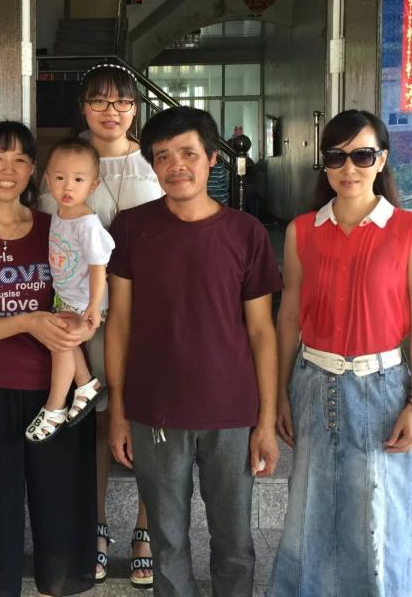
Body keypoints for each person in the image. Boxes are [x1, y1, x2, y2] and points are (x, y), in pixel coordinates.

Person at [106, 105, 281, 597]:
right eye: (163, 156)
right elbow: (119, 323)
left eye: (188, 153)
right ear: (152, 165)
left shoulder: (245, 233)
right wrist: (118, 411)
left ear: (211, 159)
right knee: (166, 541)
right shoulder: (132, 227)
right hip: (155, 410)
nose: (176, 165)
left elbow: (262, 332)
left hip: (231, 411)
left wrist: (266, 421)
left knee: (234, 541)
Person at [267, 109, 412, 597]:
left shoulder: (410, 230)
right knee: (310, 510)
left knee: (379, 516)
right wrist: (279, 394)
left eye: (362, 156)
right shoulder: (302, 230)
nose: (349, 168)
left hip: (382, 388)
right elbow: (289, 315)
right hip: (312, 382)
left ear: (381, 160)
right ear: (323, 164)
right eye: (336, 157)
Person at [0, 121, 97, 597]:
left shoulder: (57, 227)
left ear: (34, 171)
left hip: (57, 395)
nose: (8, 170)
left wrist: (86, 323)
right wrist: (25, 321)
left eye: (20, 160)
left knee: (61, 511)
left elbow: (86, 298)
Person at [38, 62, 163, 587]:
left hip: (144, 312)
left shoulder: (153, 162)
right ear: (83, 107)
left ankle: (145, 529)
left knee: (146, 418)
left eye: (122, 102)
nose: (111, 112)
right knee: (90, 419)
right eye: (98, 101)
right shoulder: (65, 161)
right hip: (80, 314)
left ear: (136, 108)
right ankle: (95, 527)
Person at [25, 138, 111, 443]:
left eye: (78, 179)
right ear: (48, 180)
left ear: (94, 184)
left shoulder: (87, 224)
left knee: (60, 342)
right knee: (63, 340)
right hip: (66, 298)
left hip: (85, 302)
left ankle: (55, 406)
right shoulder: (60, 214)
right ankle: (86, 385)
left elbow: (99, 268)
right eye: (60, 178)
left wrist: (93, 307)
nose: (68, 187)